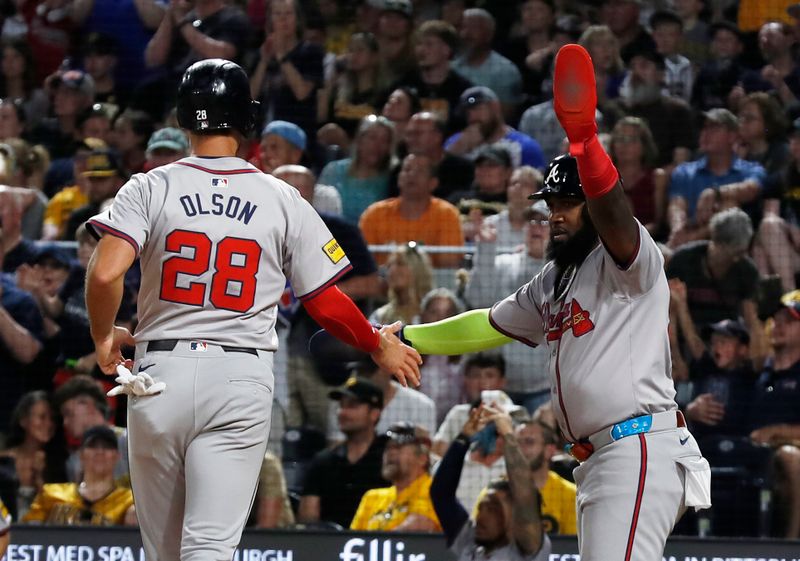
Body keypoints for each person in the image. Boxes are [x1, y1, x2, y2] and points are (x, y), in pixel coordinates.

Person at [84, 59, 421, 561]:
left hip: (159, 375)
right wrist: (377, 343)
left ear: (182, 118)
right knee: (211, 548)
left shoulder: (148, 185)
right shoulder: (282, 196)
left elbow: (106, 273)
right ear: (247, 121)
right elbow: (326, 299)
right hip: (240, 375)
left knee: (166, 553)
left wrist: (103, 337)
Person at [388, 44, 711, 560]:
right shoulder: (555, 278)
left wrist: (585, 143)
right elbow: (486, 325)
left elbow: (616, 214)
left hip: (637, 447)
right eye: (552, 205)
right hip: (598, 457)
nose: (556, 215)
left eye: (568, 204)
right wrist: (408, 337)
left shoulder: (629, 258)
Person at [430, 404, 550, 560]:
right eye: (481, 508)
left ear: (516, 517)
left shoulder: (529, 547)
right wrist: (463, 438)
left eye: (494, 508)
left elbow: (524, 492)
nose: (482, 516)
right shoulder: (468, 541)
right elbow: (441, 494)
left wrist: (508, 435)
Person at [299, 376, 388, 528]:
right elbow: (308, 518)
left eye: (352, 406)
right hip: (329, 543)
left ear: (374, 414)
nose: (343, 412)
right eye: (341, 406)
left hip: (380, 542)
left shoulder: (388, 457)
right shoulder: (323, 461)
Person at [359, 153, 464, 267]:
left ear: (433, 183)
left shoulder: (447, 214)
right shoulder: (374, 214)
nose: (411, 175)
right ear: (399, 178)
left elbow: (449, 265)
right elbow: (362, 262)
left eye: (420, 171)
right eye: (407, 169)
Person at [23, 425, 136, 526]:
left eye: (107, 447)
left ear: (117, 456)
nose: (100, 451)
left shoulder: (129, 500)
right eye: (93, 446)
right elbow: (28, 534)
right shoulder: (50, 493)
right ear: (81, 454)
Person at [350, 422, 441, 532]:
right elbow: (353, 538)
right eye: (388, 448)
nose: (390, 453)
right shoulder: (372, 497)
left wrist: (379, 544)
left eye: (398, 447)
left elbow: (420, 525)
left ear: (422, 458)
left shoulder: (434, 490)